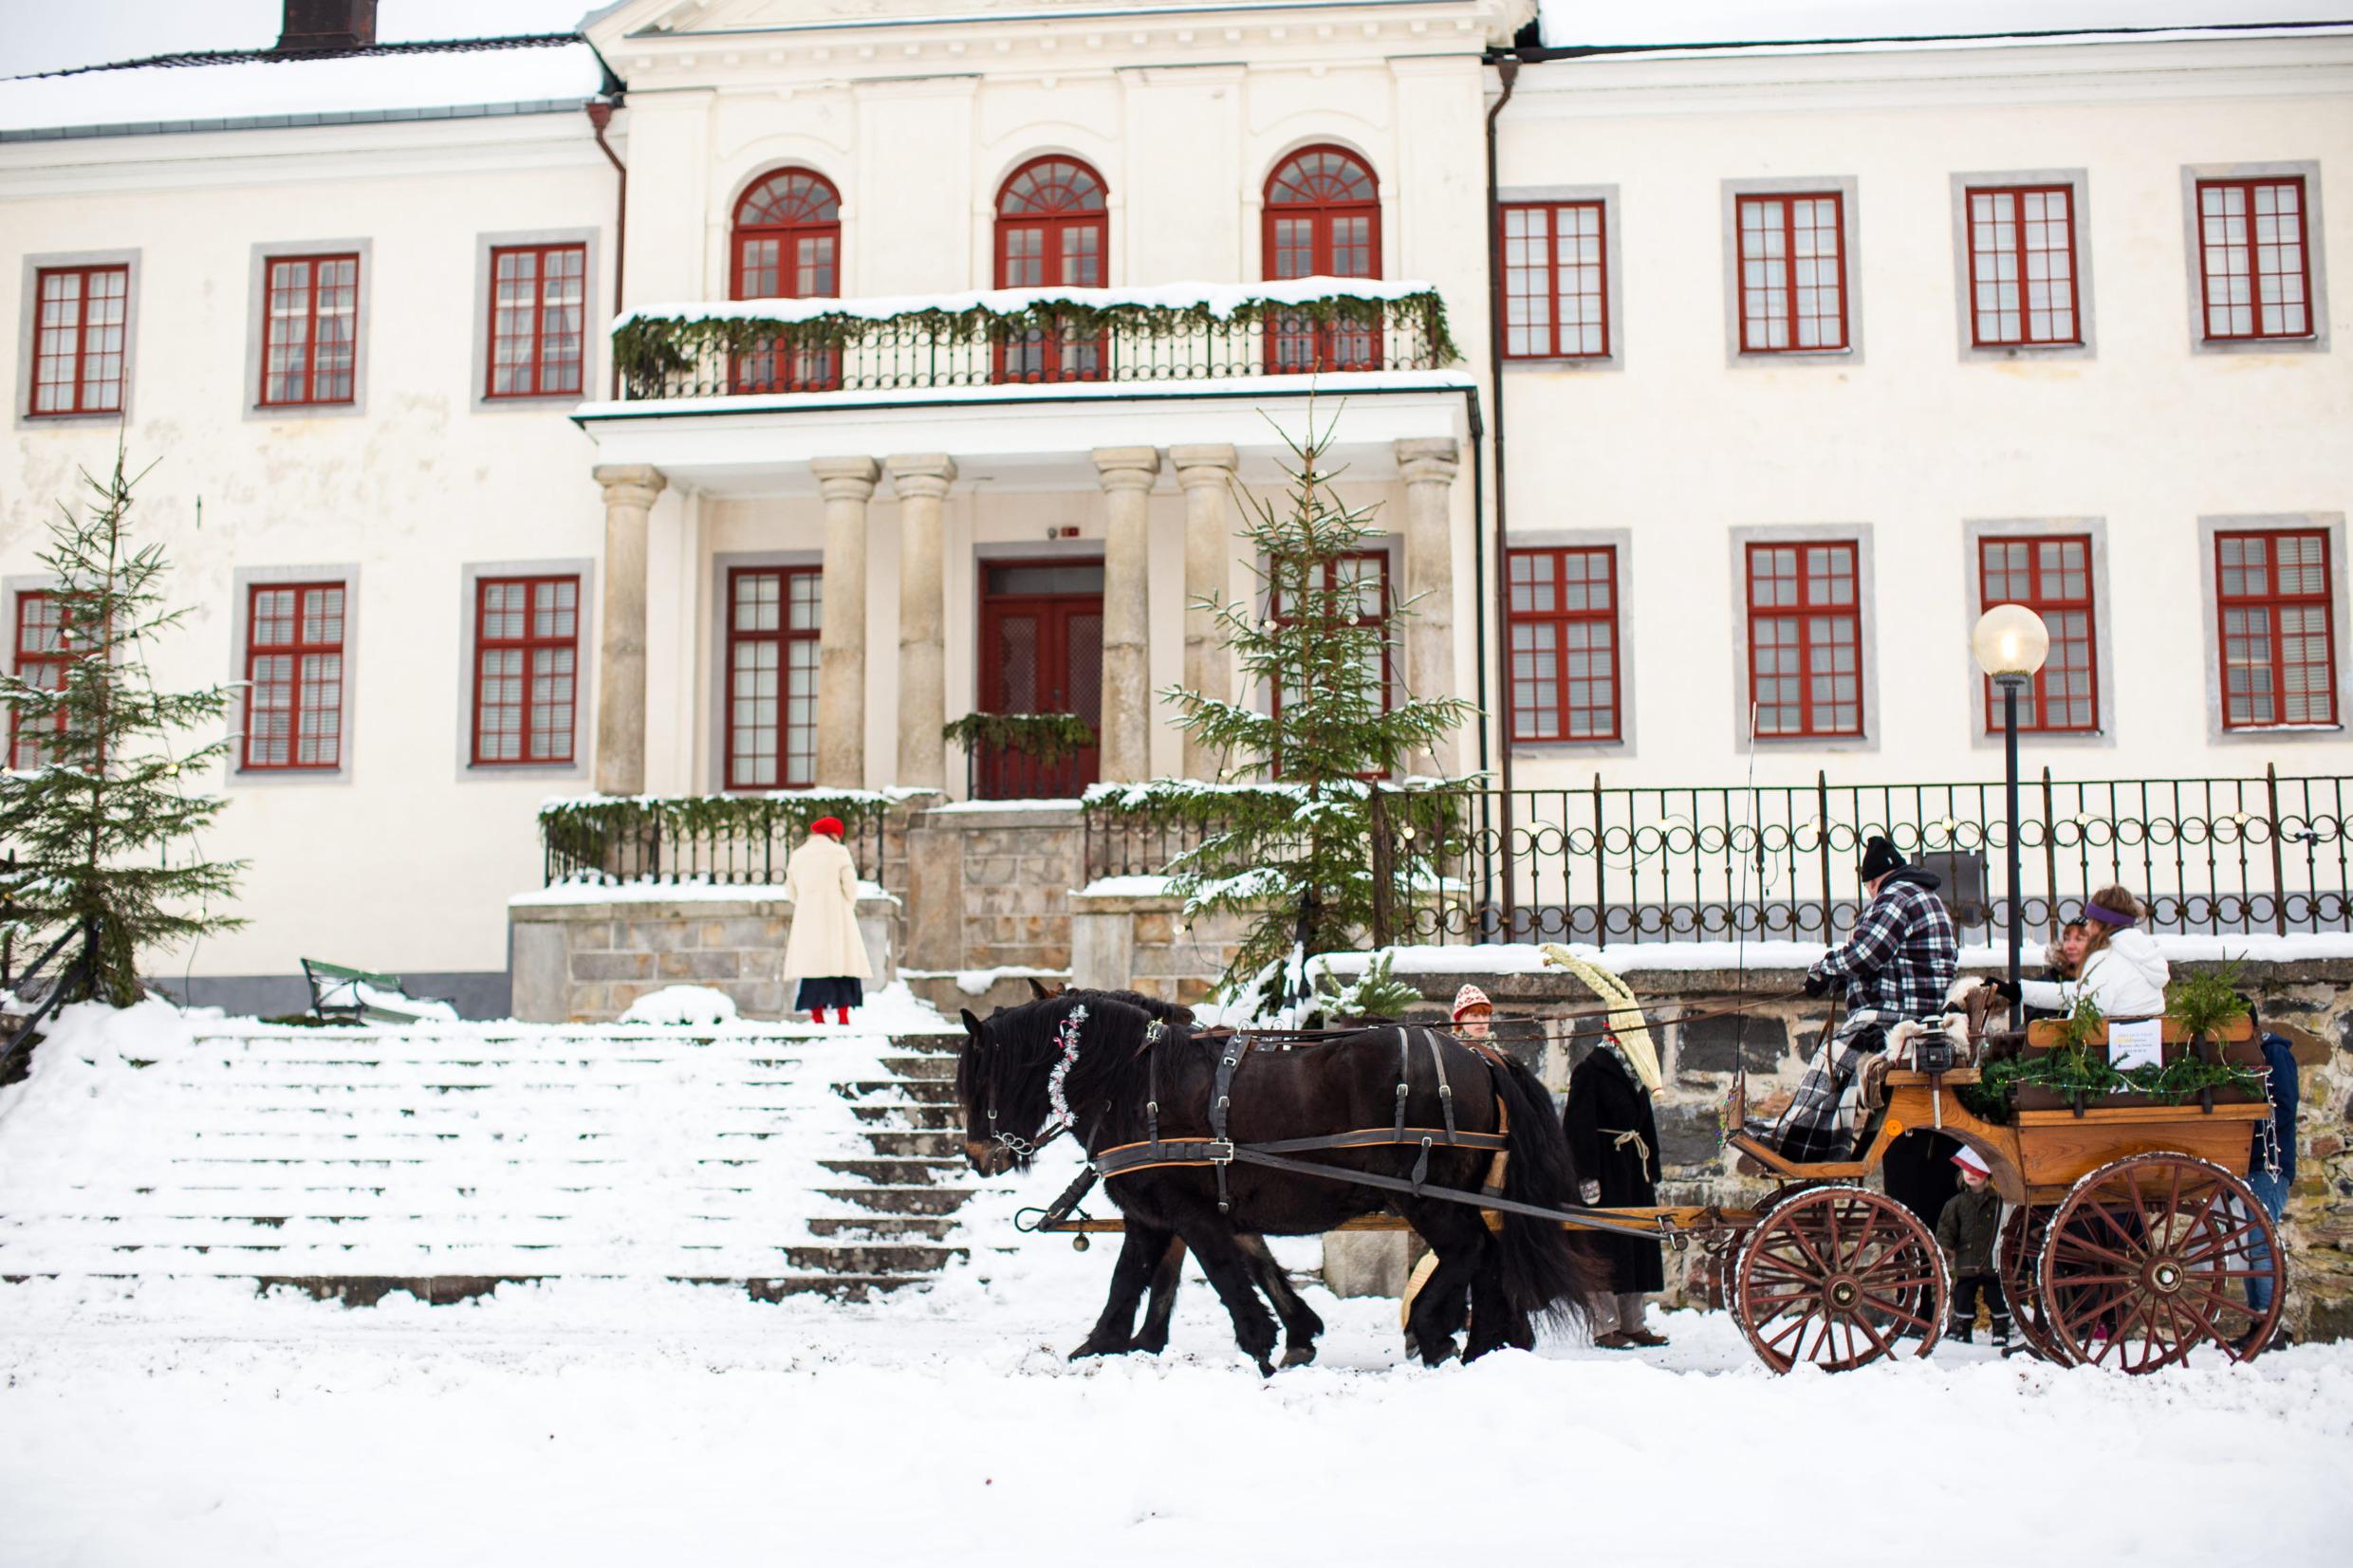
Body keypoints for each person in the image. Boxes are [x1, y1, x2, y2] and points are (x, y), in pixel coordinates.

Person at [1774, 837, 1957, 1162]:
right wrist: (1839, 975)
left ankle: (1793, 1140)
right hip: (1917, 1012)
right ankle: (1819, 1141)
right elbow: (1883, 957)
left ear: (1872, 882)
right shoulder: (1921, 896)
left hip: (1897, 1016)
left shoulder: (1895, 896)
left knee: (1830, 1061)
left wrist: (1824, 969)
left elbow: (1867, 953)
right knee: (1836, 1060)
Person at [1564, 1029, 1667, 1349]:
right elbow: (1577, 1128)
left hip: (1634, 1169)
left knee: (1637, 1243)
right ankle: (1605, 1326)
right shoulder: (1591, 1069)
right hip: (1606, 1169)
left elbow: (1645, 1122)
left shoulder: (1638, 1070)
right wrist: (1587, 1177)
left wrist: (1653, 1168)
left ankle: (1633, 1323)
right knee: (1603, 1245)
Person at [1992, 886, 2167, 1018]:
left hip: (2111, 1055)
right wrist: (2019, 990)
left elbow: (2083, 1016)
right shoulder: (2138, 953)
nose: (2088, 928)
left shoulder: (2105, 960)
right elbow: (2078, 992)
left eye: (2091, 921)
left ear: (2100, 923)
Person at [2241, 1010, 2301, 1351]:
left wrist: (2248, 1123)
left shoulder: (2274, 1053)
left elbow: (2285, 1107)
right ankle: (2259, 1323)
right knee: (2252, 1243)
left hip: (2270, 1162)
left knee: (2261, 1242)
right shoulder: (2243, 1055)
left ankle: (2269, 1326)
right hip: (2253, 1161)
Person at [781, 816, 871, 1024]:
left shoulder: (798, 855)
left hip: (808, 918)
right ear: (833, 834)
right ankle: (842, 1015)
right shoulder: (839, 853)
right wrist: (845, 906)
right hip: (837, 916)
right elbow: (850, 887)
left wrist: (806, 905)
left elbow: (791, 891)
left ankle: (817, 1015)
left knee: (813, 969)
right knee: (842, 967)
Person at [1936, 1145, 2009, 1349]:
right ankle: (1962, 1330)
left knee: (1995, 1297)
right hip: (1966, 1260)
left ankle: (2001, 1332)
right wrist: (1946, 1249)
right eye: (1967, 1171)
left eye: (1976, 1171)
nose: (1971, 1175)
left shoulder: (1999, 1202)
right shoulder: (1956, 1204)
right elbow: (1947, 1228)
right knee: (1963, 1297)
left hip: (1991, 1260)